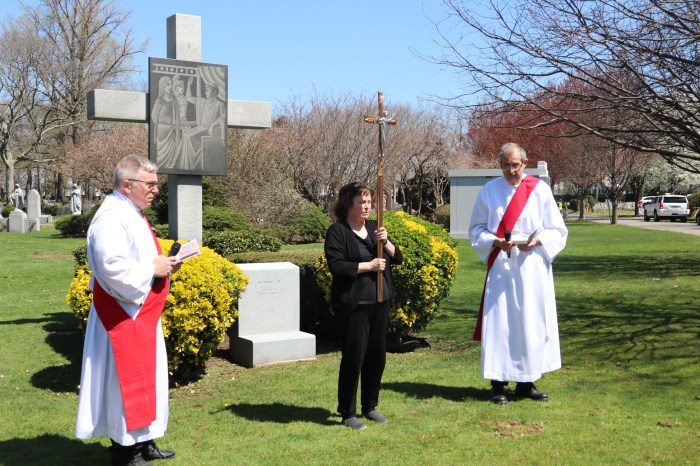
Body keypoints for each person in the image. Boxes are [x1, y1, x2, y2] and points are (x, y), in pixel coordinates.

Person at [75, 155, 181, 466]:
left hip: (139, 313)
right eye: (150, 184)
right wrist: (153, 267)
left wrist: (164, 264)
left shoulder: (129, 211)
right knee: (124, 385)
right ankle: (125, 452)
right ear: (127, 184)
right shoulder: (111, 216)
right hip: (122, 314)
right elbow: (111, 268)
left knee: (148, 378)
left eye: (156, 184)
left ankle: (144, 440)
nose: (156, 190)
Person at [468, 143, 568, 405]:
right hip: (501, 266)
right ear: (499, 165)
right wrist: (495, 241)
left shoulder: (540, 190)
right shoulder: (489, 191)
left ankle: (527, 382)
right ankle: (498, 384)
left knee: (529, 323)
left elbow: (557, 230)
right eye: (505, 165)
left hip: (532, 267)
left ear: (525, 163)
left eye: (515, 165)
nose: (511, 170)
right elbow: (476, 229)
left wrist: (538, 241)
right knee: (500, 324)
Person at [324, 182, 403, 430]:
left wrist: (387, 241)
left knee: (377, 357)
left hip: (381, 301)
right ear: (348, 203)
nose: (367, 206)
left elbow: (397, 258)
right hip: (355, 304)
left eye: (369, 201)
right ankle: (348, 412)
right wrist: (369, 266)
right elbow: (337, 266)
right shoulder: (338, 232)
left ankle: (370, 406)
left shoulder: (374, 229)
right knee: (354, 357)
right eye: (361, 201)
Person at [151, 76, 180, 169]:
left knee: (172, 153)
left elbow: (177, 116)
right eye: (168, 84)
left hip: (172, 131)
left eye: (171, 84)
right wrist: (164, 125)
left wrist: (174, 126)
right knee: (161, 157)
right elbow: (154, 116)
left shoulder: (174, 101)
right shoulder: (159, 101)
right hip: (162, 132)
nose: (170, 87)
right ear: (163, 86)